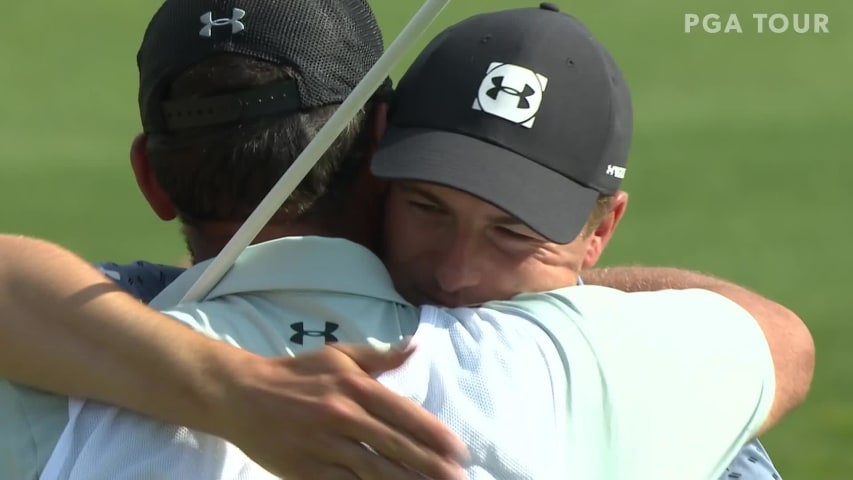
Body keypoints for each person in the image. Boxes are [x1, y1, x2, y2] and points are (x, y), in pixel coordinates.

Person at [0, 2, 806, 479]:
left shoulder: (59, 380)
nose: (459, 270)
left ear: (150, 175)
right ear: (380, 145)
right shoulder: (569, 365)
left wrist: (226, 387)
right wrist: (562, 291)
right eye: (433, 207)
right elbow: (778, 340)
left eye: (510, 233)